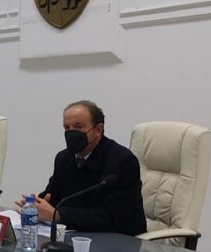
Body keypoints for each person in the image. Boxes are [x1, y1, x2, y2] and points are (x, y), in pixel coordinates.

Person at [15, 100, 146, 236]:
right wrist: (37, 204)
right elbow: (53, 196)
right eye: (67, 128)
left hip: (120, 240)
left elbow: (112, 217)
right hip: (76, 234)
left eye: (78, 127)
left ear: (98, 129)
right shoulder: (64, 158)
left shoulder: (122, 161)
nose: (71, 133)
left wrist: (57, 215)